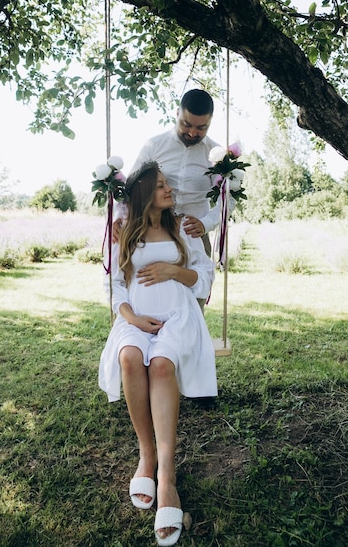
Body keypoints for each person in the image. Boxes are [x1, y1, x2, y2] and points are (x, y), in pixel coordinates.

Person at [98, 161, 218, 546]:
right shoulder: (124, 232)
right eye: (162, 185)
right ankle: (145, 455)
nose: (170, 190)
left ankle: (166, 474)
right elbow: (114, 283)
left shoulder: (185, 226)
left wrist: (171, 270)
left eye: (169, 184)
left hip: (177, 314)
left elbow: (204, 274)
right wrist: (131, 316)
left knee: (162, 366)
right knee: (130, 358)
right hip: (136, 316)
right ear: (145, 193)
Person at [115, 88, 234, 257]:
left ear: (210, 122)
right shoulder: (154, 145)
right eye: (187, 124)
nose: (193, 133)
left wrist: (205, 223)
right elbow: (131, 189)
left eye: (201, 128)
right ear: (177, 114)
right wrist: (118, 219)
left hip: (196, 237)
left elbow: (228, 198)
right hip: (154, 236)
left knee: (199, 281)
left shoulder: (217, 154)